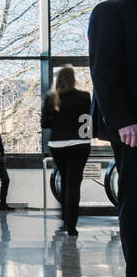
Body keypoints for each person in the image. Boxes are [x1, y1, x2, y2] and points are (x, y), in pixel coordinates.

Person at [89, 0, 137, 277]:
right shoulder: (110, 11)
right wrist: (123, 121)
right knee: (135, 202)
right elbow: (104, 72)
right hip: (132, 128)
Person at [42, 66, 91, 236]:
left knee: (64, 181)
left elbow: (44, 124)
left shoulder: (51, 98)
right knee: (73, 184)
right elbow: (87, 121)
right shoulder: (84, 96)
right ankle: (72, 225)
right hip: (79, 144)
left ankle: (64, 218)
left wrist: (58, 120)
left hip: (57, 145)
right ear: (73, 78)